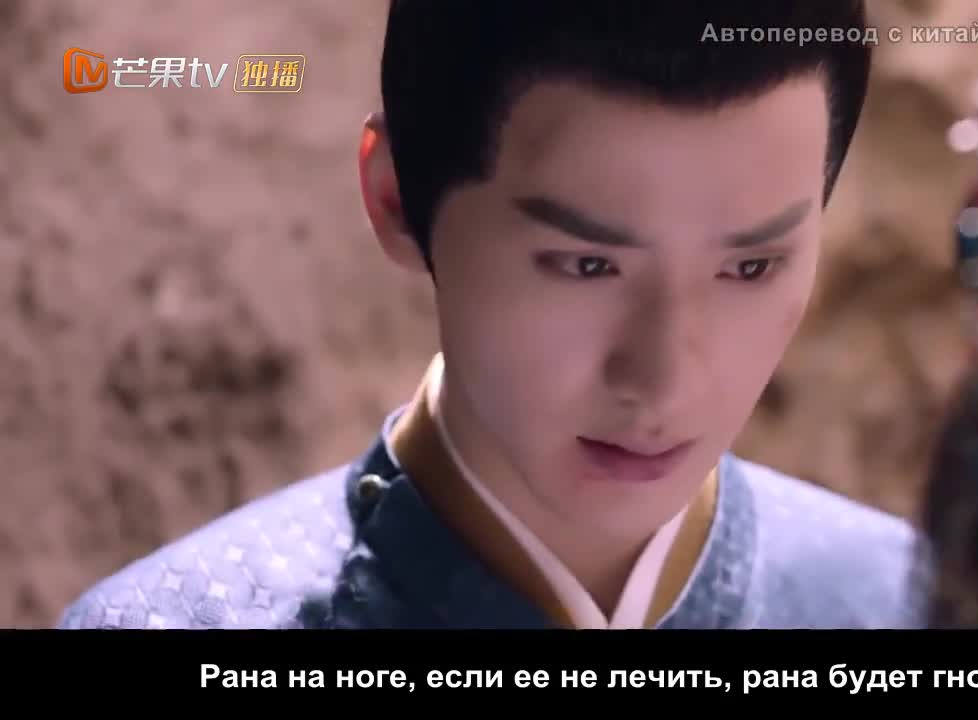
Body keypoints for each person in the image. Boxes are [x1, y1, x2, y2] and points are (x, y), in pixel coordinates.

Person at [56, 0, 928, 630]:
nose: (666, 382)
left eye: (751, 267)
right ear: (397, 198)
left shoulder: (921, 607)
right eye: (587, 265)